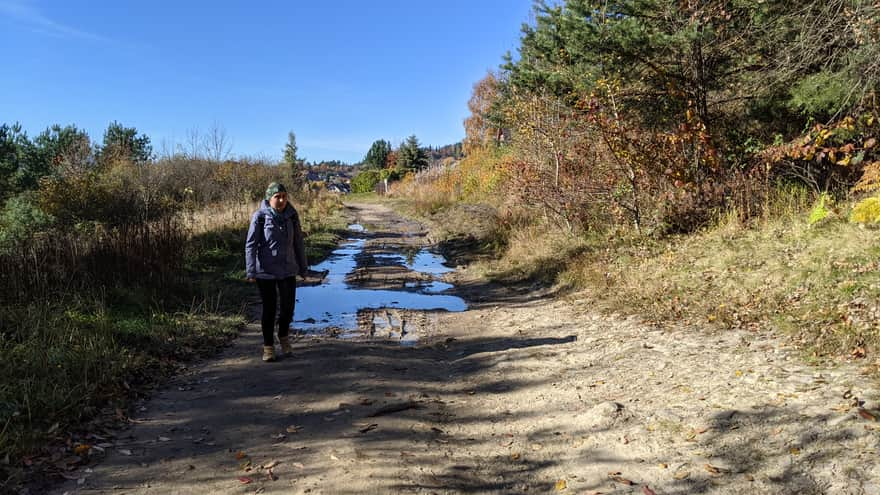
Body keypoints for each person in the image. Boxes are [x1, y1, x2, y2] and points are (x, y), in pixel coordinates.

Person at [245, 182, 309, 362]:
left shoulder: (292, 215)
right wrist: (251, 271)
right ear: (269, 198)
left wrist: (303, 268)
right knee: (270, 308)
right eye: (277, 197)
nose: (281, 200)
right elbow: (251, 245)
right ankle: (268, 347)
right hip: (265, 271)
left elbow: (298, 243)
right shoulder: (260, 217)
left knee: (288, 308)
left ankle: (283, 336)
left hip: (288, 269)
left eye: (284, 196)